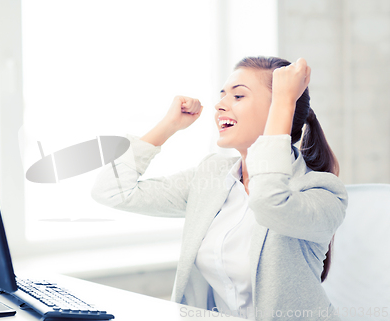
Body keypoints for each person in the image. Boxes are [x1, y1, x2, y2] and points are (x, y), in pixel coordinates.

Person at [91, 56, 348, 320]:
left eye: (238, 96)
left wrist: (285, 103)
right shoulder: (212, 177)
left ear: (280, 110)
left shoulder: (323, 192)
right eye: (223, 95)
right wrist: (168, 126)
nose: (219, 105)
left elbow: (268, 201)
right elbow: (111, 190)